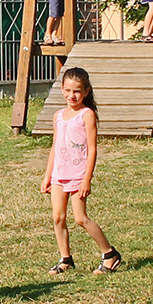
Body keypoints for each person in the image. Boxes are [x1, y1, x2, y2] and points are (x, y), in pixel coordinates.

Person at [41, 66, 122, 273]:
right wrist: (48, 175)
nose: (72, 95)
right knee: (58, 217)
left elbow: (92, 149)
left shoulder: (87, 115)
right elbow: (55, 146)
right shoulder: (58, 115)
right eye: (67, 90)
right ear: (62, 89)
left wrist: (87, 179)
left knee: (80, 218)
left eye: (77, 91)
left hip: (78, 175)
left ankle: (110, 254)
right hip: (59, 175)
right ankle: (65, 259)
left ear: (86, 91)